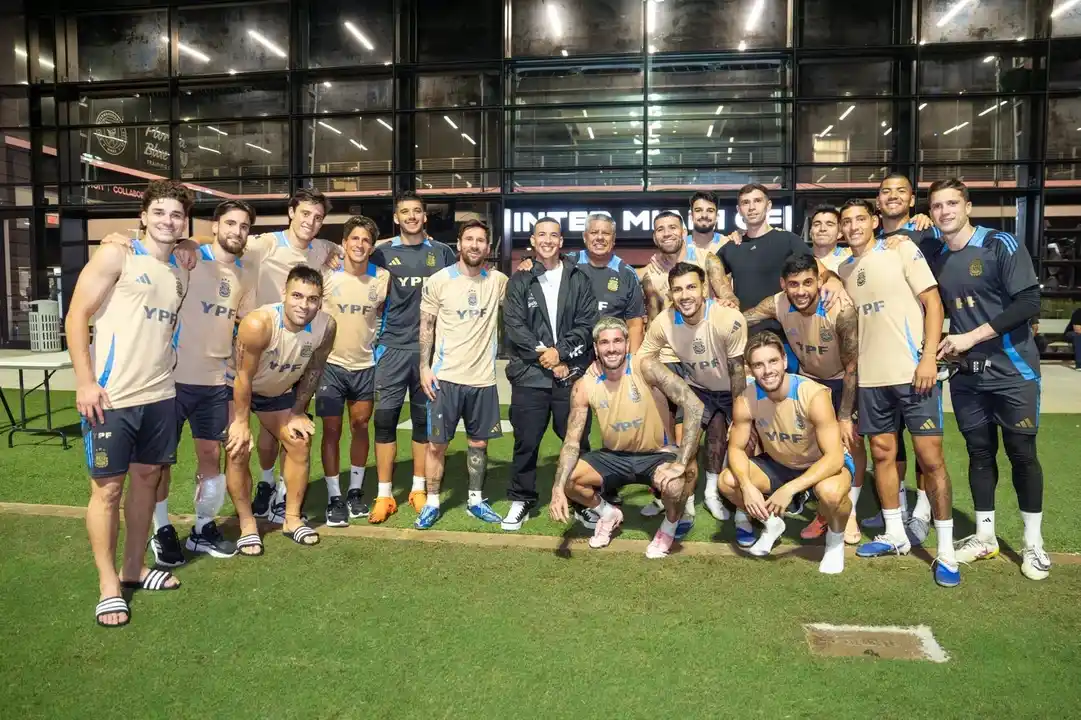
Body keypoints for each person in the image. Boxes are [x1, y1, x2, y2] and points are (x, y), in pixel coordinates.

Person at [97, 200, 258, 563]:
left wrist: (234, 378)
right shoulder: (185, 256)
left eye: (244, 226)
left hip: (215, 382)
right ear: (214, 226)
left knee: (210, 455)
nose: (236, 231)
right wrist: (121, 237)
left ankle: (203, 528)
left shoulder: (247, 273)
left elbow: (241, 330)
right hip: (170, 379)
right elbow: (153, 246)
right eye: (229, 223)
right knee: (160, 463)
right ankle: (162, 528)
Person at [66, 180, 192, 628]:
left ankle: (135, 568)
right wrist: (84, 381)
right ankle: (108, 586)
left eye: (176, 215)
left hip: (161, 395)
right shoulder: (116, 254)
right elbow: (77, 314)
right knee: (107, 490)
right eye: (159, 212)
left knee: (146, 482)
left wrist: (191, 246)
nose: (168, 221)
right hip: (111, 396)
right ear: (142, 215)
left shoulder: (181, 270)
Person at [925, 178, 1050, 580]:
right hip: (967, 377)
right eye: (937, 206)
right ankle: (985, 537)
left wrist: (969, 337)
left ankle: (1034, 544)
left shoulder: (1000, 244)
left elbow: (1030, 302)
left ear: (967, 206)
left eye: (951, 204)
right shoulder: (937, 255)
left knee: (1021, 453)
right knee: (980, 454)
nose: (944, 212)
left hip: (1013, 371)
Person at [834, 199, 960, 587]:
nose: (854, 226)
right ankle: (894, 534)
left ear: (874, 221)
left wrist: (927, 359)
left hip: (913, 374)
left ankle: (947, 552)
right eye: (847, 221)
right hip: (872, 380)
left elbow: (933, 304)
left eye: (860, 219)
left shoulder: (901, 248)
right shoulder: (844, 269)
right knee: (883, 455)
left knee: (930, 459)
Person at [548, 317, 705, 559]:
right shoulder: (584, 385)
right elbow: (571, 442)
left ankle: (668, 528)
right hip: (614, 457)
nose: (611, 348)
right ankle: (607, 513)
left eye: (617, 341)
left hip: (656, 455)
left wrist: (681, 463)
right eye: (604, 342)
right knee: (568, 480)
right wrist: (557, 488)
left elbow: (694, 405)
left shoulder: (646, 366)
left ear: (627, 342)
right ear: (596, 347)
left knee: (676, 485)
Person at [237, 188, 342, 521]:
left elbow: (354, 247)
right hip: (254, 347)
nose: (310, 222)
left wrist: (339, 251)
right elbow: (221, 241)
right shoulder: (266, 244)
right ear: (291, 212)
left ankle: (279, 492)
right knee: (243, 440)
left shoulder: (322, 248)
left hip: (292, 357)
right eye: (305, 214)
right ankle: (263, 489)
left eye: (318, 217)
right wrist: (183, 246)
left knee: (281, 430)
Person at [743, 254, 863, 544]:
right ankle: (821, 509)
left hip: (842, 379)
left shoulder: (839, 310)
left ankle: (849, 511)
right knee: (817, 445)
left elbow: (851, 368)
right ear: (784, 285)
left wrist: (845, 415)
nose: (800, 291)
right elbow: (743, 319)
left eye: (808, 282)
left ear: (819, 280)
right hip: (810, 380)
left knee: (850, 442)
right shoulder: (778, 303)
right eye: (793, 284)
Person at [717, 332, 854, 574]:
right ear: (750, 369)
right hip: (779, 463)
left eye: (772, 361)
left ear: (784, 360)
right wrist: (747, 487)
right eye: (758, 365)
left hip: (820, 464)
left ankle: (834, 544)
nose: (767, 370)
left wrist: (789, 489)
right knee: (728, 481)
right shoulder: (746, 400)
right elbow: (736, 449)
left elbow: (834, 457)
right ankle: (772, 524)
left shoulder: (813, 395)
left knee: (831, 494)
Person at [223, 266, 336, 554]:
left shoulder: (326, 326)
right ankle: (248, 524)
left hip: (276, 392)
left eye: (312, 298)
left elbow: (314, 370)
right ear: (284, 294)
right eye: (297, 295)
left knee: (299, 442)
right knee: (238, 448)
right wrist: (241, 421)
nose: (304, 304)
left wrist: (298, 410)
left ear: (320, 301)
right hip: (236, 389)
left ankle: (292, 519)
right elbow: (242, 377)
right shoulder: (259, 324)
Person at [366, 192, 458, 523]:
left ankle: (418, 489)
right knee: (385, 421)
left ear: (425, 217)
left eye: (417, 211)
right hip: (391, 348)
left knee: (423, 423)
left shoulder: (442, 253)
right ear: (396, 217)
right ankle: (385, 495)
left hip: (429, 354)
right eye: (405, 211)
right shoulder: (381, 253)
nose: (412, 216)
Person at [502, 217, 599, 531]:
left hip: (570, 374)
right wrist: (546, 355)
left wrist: (562, 352)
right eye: (541, 234)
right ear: (533, 240)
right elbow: (515, 327)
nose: (547, 240)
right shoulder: (520, 279)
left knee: (577, 440)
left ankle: (581, 498)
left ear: (561, 242)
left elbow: (587, 325)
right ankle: (523, 498)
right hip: (530, 375)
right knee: (525, 442)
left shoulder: (579, 277)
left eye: (553, 235)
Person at [638, 262, 747, 533]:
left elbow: (737, 371)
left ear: (704, 289)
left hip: (729, 387)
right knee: (685, 442)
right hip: (696, 388)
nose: (685, 295)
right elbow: (643, 357)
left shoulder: (727, 318)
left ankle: (713, 493)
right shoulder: (664, 321)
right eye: (677, 290)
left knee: (728, 441)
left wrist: (740, 412)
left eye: (691, 287)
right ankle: (684, 504)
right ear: (671, 293)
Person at [416, 219, 508, 529]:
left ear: (488, 247)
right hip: (446, 379)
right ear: (459, 244)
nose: (475, 245)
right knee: (436, 446)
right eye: (469, 239)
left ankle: (475, 500)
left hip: (483, 380)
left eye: (481, 240)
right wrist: (424, 367)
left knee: (479, 445)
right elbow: (426, 325)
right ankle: (431, 502)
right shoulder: (439, 280)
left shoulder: (498, 281)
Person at [315, 216, 390, 527]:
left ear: (372, 247)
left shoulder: (381, 278)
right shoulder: (326, 276)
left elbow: (384, 315)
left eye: (366, 241)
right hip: (331, 366)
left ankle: (355, 491)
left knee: (360, 426)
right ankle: (334, 496)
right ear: (344, 243)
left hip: (365, 366)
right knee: (331, 431)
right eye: (354, 239)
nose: (360, 245)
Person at [807, 204, 851, 273]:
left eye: (829, 224)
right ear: (810, 232)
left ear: (840, 233)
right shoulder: (800, 256)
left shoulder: (850, 257)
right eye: (817, 224)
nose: (822, 229)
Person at [688, 190, 732, 255]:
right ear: (691, 215)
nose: (704, 215)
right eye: (698, 210)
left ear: (717, 216)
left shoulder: (728, 244)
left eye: (710, 211)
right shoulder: (680, 246)